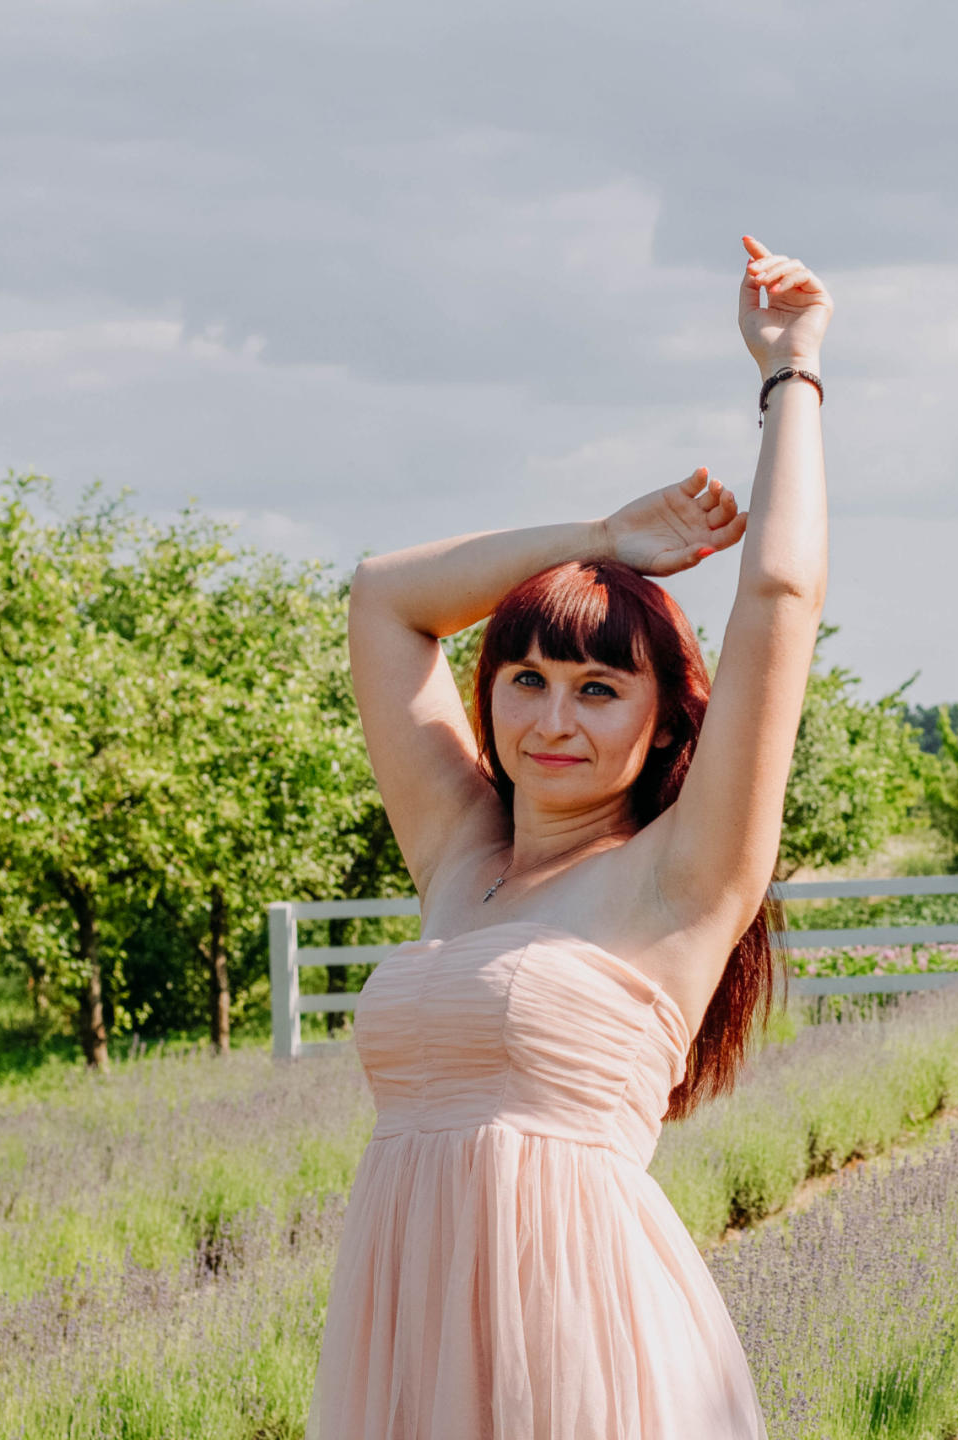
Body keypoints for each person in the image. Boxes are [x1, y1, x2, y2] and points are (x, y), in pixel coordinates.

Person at [306, 235, 829, 1439]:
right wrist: (599, 536)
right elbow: (385, 596)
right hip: (413, 1357)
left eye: (599, 691)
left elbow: (780, 599)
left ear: (664, 722)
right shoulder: (460, 855)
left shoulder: (682, 877)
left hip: (587, 1356)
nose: (553, 720)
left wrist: (791, 371)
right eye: (528, 680)